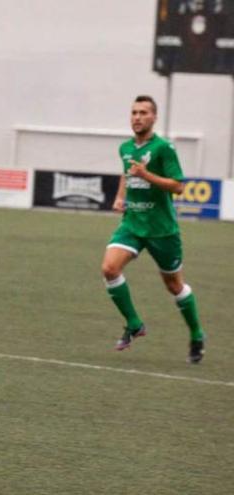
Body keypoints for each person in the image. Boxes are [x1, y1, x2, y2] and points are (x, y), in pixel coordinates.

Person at [101, 95, 206, 363]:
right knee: (109, 268)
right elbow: (127, 173)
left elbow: (178, 186)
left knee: (174, 286)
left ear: (154, 118)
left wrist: (146, 175)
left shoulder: (163, 149)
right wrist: (120, 196)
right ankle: (135, 324)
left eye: (143, 112)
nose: (137, 117)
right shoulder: (125, 148)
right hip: (133, 224)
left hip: (162, 230)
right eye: (134, 112)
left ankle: (196, 334)